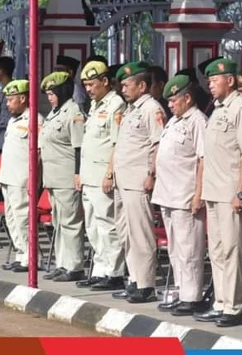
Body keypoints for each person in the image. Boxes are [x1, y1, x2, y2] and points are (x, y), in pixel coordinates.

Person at [196, 58, 242, 327]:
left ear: (230, 81)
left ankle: (234, 306)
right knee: (217, 251)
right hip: (213, 190)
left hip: (230, 190)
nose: (210, 85)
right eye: (208, 81)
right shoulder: (218, 108)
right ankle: (221, 302)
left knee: (232, 250)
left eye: (214, 80)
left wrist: (241, 190)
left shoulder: (239, 108)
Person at [151, 74, 208, 316]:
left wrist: (199, 194)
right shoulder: (174, 121)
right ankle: (180, 290)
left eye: (174, 100)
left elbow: (204, 160)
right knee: (175, 249)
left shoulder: (198, 121)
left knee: (189, 248)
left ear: (187, 98)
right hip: (167, 193)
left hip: (185, 194)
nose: (170, 105)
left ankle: (192, 296)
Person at [114, 61, 166, 303]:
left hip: (138, 179)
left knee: (141, 234)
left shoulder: (151, 109)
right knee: (125, 233)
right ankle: (134, 278)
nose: (123, 89)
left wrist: (151, 175)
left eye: (127, 84)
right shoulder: (130, 109)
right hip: (123, 180)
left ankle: (146, 284)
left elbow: (158, 145)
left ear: (142, 85)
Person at [75, 61, 127, 292]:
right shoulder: (96, 105)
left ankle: (114, 271)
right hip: (90, 175)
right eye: (85, 85)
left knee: (107, 225)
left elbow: (117, 144)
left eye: (92, 84)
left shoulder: (116, 105)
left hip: (102, 174)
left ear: (105, 81)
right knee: (93, 226)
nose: (88, 89)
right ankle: (100, 269)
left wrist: (109, 173)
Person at [38, 71, 86, 282]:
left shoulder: (73, 112)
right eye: (48, 93)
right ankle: (62, 263)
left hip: (67, 176)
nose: (50, 97)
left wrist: (77, 173)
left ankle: (75, 266)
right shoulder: (54, 113)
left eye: (53, 93)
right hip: (53, 178)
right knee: (59, 222)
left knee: (70, 222)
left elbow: (78, 147)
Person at [0, 80, 44, 273]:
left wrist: (35, 180)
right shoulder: (13, 120)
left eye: (11, 100)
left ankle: (30, 257)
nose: (8, 104)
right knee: (11, 218)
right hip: (8, 177)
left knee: (23, 219)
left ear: (23, 98)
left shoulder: (35, 120)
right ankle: (20, 254)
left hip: (22, 179)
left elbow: (40, 152)